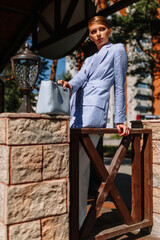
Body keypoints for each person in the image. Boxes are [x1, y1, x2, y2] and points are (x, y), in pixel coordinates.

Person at [58, 15, 129, 228]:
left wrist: (120, 119)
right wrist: (68, 85)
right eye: (93, 32)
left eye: (100, 29)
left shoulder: (117, 50)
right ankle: (71, 217)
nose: (97, 34)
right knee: (72, 168)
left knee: (81, 169)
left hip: (94, 112)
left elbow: (119, 84)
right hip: (76, 110)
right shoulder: (89, 60)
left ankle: (78, 223)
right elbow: (79, 78)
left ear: (109, 30)